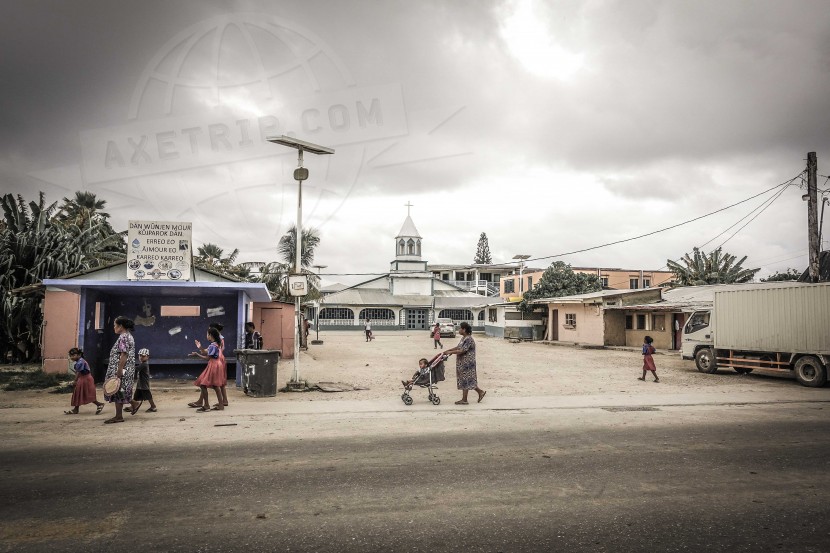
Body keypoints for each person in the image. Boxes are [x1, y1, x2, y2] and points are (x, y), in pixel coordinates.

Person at [103, 316, 136, 424]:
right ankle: (133, 404)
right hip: (127, 367)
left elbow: (124, 355)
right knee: (120, 390)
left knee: (117, 390)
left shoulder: (123, 337)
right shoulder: (128, 336)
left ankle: (118, 416)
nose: (114, 327)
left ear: (120, 326)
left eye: (115, 325)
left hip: (122, 367)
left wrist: (119, 369)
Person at [443, 321, 486, 405]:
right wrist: (449, 350)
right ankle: (478, 393)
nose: (459, 330)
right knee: (466, 380)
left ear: (464, 329)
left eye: (460, 328)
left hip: (467, 363)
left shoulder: (469, 339)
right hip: (463, 362)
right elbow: (458, 347)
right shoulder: (464, 338)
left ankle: (466, 399)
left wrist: (450, 352)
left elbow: (462, 350)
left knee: (467, 379)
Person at [189, 328, 225, 411]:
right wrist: (200, 347)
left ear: (210, 335)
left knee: (203, 384)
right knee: (216, 386)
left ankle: (206, 405)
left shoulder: (213, 345)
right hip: (217, 364)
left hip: (213, 365)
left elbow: (207, 357)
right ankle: (220, 405)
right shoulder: (216, 344)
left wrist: (197, 354)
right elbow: (205, 351)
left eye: (207, 334)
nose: (206, 336)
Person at [64, 348, 105, 415]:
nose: (71, 357)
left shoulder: (80, 362)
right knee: (77, 393)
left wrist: (75, 381)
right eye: (71, 356)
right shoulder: (80, 361)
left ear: (79, 355)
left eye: (73, 355)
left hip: (86, 379)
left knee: (87, 394)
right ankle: (76, 409)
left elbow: (78, 372)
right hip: (83, 378)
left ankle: (99, 404)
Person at [129, 348, 157, 414]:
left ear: (148, 357)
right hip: (140, 383)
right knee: (136, 395)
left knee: (148, 395)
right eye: (140, 356)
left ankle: (153, 406)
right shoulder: (143, 363)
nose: (141, 357)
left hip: (144, 383)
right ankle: (133, 405)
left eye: (143, 356)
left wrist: (129, 365)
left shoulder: (144, 364)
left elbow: (137, 368)